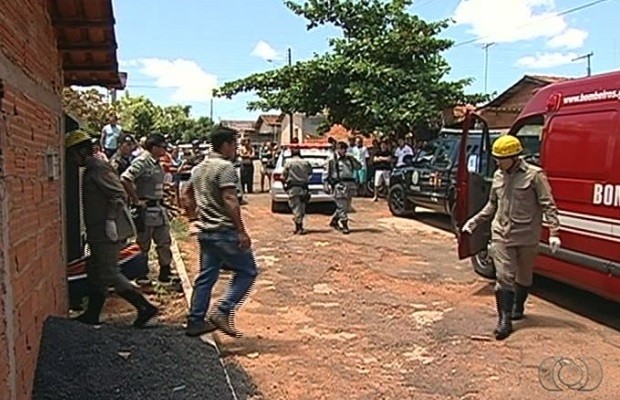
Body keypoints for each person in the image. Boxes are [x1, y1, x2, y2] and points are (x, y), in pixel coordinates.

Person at [462, 135, 561, 340]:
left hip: (526, 236)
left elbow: (548, 204)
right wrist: (475, 221)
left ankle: (518, 306)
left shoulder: (535, 176)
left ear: (514, 157)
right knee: (504, 276)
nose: (497, 162)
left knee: (524, 276)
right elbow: (492, 204)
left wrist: (554, 233)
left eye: (500, 158)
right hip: (501, 234)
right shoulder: (498, 176)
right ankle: (504, 320)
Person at [66, 130, 158, 327]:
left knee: (108, 272)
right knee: (94, 271)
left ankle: (145, 307)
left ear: (82, 152)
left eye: (74, 154)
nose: (73, 160)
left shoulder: (98, 168)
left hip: (108, 231)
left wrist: (109, 221)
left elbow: (118, 194)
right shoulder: (91, 168)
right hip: (98, 230)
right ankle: (92, 313)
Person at [181, 125, 259, 337]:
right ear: (226, 144)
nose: (236, 149)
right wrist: (241, 231)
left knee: (206, 277)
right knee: (248, 271)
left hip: (206, 231)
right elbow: (229, 199)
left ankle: (195, 320)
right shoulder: (225, 168)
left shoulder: (199, 168)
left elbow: (185, 196)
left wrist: (193, 218)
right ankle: (223, 310)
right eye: (234, 144)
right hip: (224, 231)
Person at [121, 133, 177, 284]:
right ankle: (142, 274)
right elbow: (125, 178)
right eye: (163, 147)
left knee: (164, 241)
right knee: (143, 243)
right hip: (146, 210)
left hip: (158, 208)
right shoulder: (143, 161)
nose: (165, 150)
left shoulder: (156, 162)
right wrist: (136, 200)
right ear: (154, 147)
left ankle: (165, 272)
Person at [325, 141, 362, 234]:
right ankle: (344, 224)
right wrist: (326, 184)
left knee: (346, 206)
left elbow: (359, 167)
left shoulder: (349, 159)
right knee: (342, 205)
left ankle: (334, 220)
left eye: (345, 149)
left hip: (349, 185)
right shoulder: (332, 159)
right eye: (341, 149)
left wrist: (353, 159)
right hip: (339, 184)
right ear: (337, 149)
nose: (343, 151)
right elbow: (326, 173)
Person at [282, 146, 313, 234]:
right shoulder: (305, 162)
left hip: (293, 188)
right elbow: (310, 173)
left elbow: (284, 175)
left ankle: (298, 227)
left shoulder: (288, 163)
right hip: (304, 188)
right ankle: (299, 225)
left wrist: (285, 184)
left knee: (296, 208)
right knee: (302, 207)